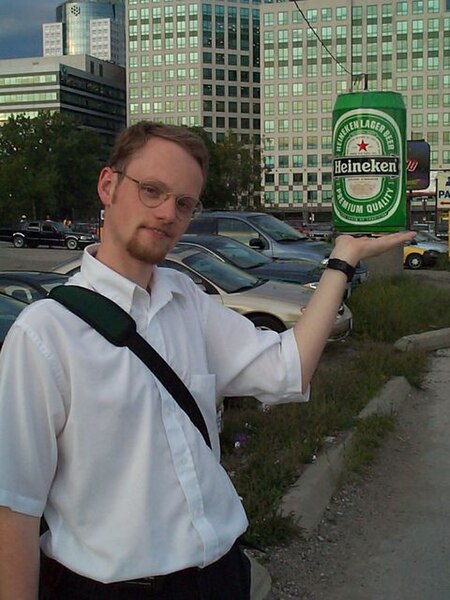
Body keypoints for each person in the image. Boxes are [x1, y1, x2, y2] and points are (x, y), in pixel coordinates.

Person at [0, 121, 415, 600]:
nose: (166, 213)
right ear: (108, 185)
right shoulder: (45, 334)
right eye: (151, 190)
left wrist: (341, 260)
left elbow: (288, 368)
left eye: (184, 203)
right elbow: (15, 508)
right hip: (114, 588)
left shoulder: (187, 301)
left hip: (221, 577)